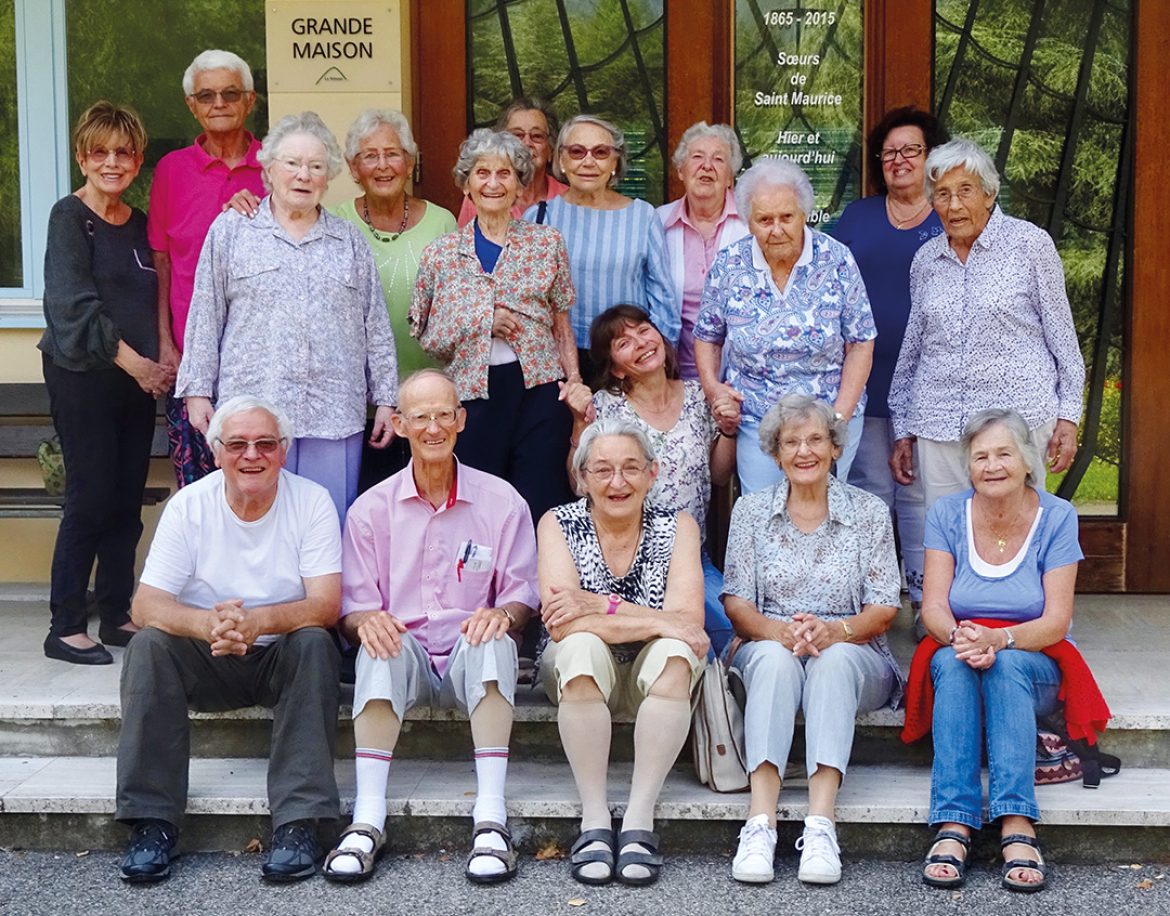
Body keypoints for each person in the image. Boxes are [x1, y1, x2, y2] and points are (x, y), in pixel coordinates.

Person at [115, 396, 342, 884]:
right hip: (208, 655)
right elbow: (145, 604)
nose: (251, 455)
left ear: (283, 450)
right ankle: (152, 823)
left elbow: (326, 605)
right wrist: (206, 626)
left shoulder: (312, 501)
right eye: (237, 444)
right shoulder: (188, 506)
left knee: (315, 643)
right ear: (216, 451)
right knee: (148, 646)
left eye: (265, 443)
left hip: (278, 655)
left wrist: (258, 622)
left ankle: (298, 824)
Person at [323, 369, 538, 884]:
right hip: (408, 655)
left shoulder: (502, 501)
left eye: (445, 414)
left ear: (461, 420)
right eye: (420, 417)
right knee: (378, 642)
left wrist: (504, 615)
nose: (434, 427)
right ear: (399, 424)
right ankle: (367, 819)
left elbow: (522, 594)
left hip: (469, 651)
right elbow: (353, 607)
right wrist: (365, 622)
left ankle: (490, 818)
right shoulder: (369, 510)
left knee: (494, 638)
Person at [902, 409, 1108, 894]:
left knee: (1007, 667)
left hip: (1033, 657)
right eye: (980, 457)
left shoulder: (1057, 517)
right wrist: (963, 638)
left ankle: (1016, 819)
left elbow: (1056, 622)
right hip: (963, 644)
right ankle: (954, 822)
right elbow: (932, 605)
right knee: (951, 665)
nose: (992, 465)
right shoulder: (947, 514)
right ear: (968, 465)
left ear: (1027, 460)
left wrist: (1000, 640)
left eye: (1003, 454)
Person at [176, 112, 398, 520]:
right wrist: (197, 392)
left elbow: (376, 326)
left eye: (315, 166)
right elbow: (205, 315)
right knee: (252, 522)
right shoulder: (230, 231)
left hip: (333, 415)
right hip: (253, 415)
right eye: (292, 164)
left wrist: (386, 399)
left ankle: (321, 589)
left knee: (327, 526)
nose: (303, 175)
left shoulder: (349, 241)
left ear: (328, 176)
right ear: (269, 169)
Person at [723, 395, 902, 886]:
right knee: (780, 663)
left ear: (835, 447)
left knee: (833, 662)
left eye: (816, 439)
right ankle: (760, 822)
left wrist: (834, 631)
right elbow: (736, 603)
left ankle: (821, 825)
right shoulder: (751, 510)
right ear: (775, 454)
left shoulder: (867, 511)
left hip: (853, 646)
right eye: (791, 442)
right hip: (768, 641)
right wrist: (780, 633)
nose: (805, 451)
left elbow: (885, 606)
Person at [538, 418, 708, 887]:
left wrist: (601, 604)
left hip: (652, 675)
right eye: (603, 469)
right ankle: (594, 818)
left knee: (677, 653)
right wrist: (656, 619)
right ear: (582, 477)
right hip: (582, 675)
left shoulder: (680, 528)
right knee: (579, 647)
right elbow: (562, 622)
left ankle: (638, 818)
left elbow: (688, 623)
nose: (618, 482)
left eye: (632, 468)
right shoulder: (558, 522)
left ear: (652, 473)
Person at [39, 101, 173, 665]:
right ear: (82, 156)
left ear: (138, 159)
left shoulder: (141, 225)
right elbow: (74, 307)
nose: (112, 162)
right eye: (101, 152)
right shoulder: (70, 217)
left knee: (125, 499)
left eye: (123, 152)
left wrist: (163, 354)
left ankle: (118, 612)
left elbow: (157, 292)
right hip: (85, 376)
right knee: (90, 497)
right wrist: (139, 364)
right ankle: (65, 623)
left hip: (134, 381)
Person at [889, 139, 1085, 508]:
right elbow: (913, 350)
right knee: (948, 538)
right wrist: (903, 429)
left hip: (1017, 424)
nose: (954, 205)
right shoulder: (926, 260)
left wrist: (1068, 418)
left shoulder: (1030, 245)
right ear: (932, 202)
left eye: (966, 190)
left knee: (1018, 536)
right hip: (940, 424)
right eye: (943, 194)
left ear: (989, 193)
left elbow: (1063, 339)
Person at [410, 128, 578, 523]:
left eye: (505, 174)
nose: (493, 183)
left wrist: (574, 382)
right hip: (472, 395)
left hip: (539, 390)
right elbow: (427, 335)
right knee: (478, 501)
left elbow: (562, 323)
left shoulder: (547, 243)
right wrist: (482, 319)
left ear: (520, 184)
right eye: (482, 173)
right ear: (466, 183)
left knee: (540, 497)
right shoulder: (441, 253)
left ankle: (542, 582)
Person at [562, 305, 737, 656]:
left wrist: (729, 431)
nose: (641, 343)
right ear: (613, 366)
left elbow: (718, 476)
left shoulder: (699, 397)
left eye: (644, 331)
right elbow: (578, 483)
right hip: (622, 560)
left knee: (731, 634)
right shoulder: (605, 405)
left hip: (689, 559)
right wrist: (580, 424)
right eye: (623, 343)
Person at [693, 158, 875, 493]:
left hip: (828, 415)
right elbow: (707, 336)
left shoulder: (836, 259)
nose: (776, 229)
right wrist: (714, 389)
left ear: (804, 214)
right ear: (749, 222)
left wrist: (838, 419)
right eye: (764, 219)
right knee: (764, 514)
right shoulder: (730, 264)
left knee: (825, 516)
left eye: (786, 217)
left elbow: (861, 341)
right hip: (757, 420)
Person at [833, 107, 945, 618]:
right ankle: (872, 599)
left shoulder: (951, 216)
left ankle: (928, 601)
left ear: (931, 157)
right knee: (871, 490)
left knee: (923, 494)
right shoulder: (857, 217)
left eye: (911, 150)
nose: (899, 160)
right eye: (889, 152)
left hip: (935, 382)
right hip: (867, 379)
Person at [149, 49, 265, 487]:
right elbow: (161, 261)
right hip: (191, 361)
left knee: (258, 487)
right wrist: (165, 342)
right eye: (207, 95)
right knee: (197, 490)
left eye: (230, 93)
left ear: (249, 100)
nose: (219, 103)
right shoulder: (171, 171)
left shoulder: (275, 168)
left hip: (257, 361)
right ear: (191, 105)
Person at [526, 115, 674, 382]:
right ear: (561, 159)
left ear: (615, 162)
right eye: (577, 151)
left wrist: (657, 359)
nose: (588, 162)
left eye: (601, 152)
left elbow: (662, 296)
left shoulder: (643, 216)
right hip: (557, 359)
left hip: (628, 358)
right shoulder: (539, 217)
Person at [655, 122, 750, 379]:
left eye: (719, 159)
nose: (707, 166)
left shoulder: (752, 225)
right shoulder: (657, 223)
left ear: (730, 177)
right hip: (672, 375)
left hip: (738, 378)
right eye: (697, 157)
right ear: (681, 171)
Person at [458, 96, 567, 226]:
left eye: (537, 136)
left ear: (550, 149)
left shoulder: (567, 198)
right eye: (517, 135)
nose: (527, 143)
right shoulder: (482, 193)